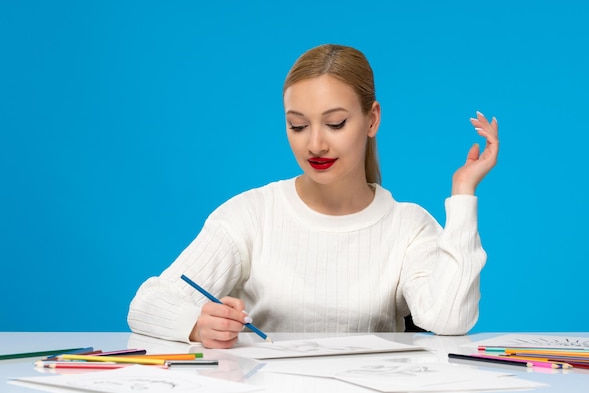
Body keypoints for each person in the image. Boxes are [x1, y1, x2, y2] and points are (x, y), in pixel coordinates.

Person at [127, 44, 499, 349]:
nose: (315, 144)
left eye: (335, 124)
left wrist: (463, 195)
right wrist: (196, 323)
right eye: (298, 126)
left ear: (372, 120)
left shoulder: (408, 226)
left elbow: (450, 320)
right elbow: (146, 303)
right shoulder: (251, 214)